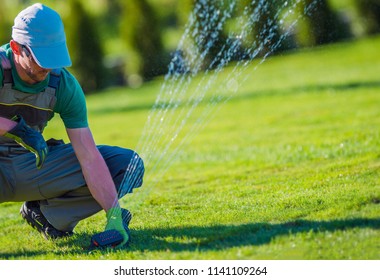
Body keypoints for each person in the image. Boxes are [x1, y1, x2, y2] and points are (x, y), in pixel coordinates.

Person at [0, 3, 144, 248]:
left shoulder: (63, 85)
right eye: (39, 58)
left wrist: (114, 215)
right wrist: (17, 129)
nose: (47, 67)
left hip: (31, 164)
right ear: (16, 47)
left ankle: (48, 216)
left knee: (126, 166)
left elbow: (88, 155)